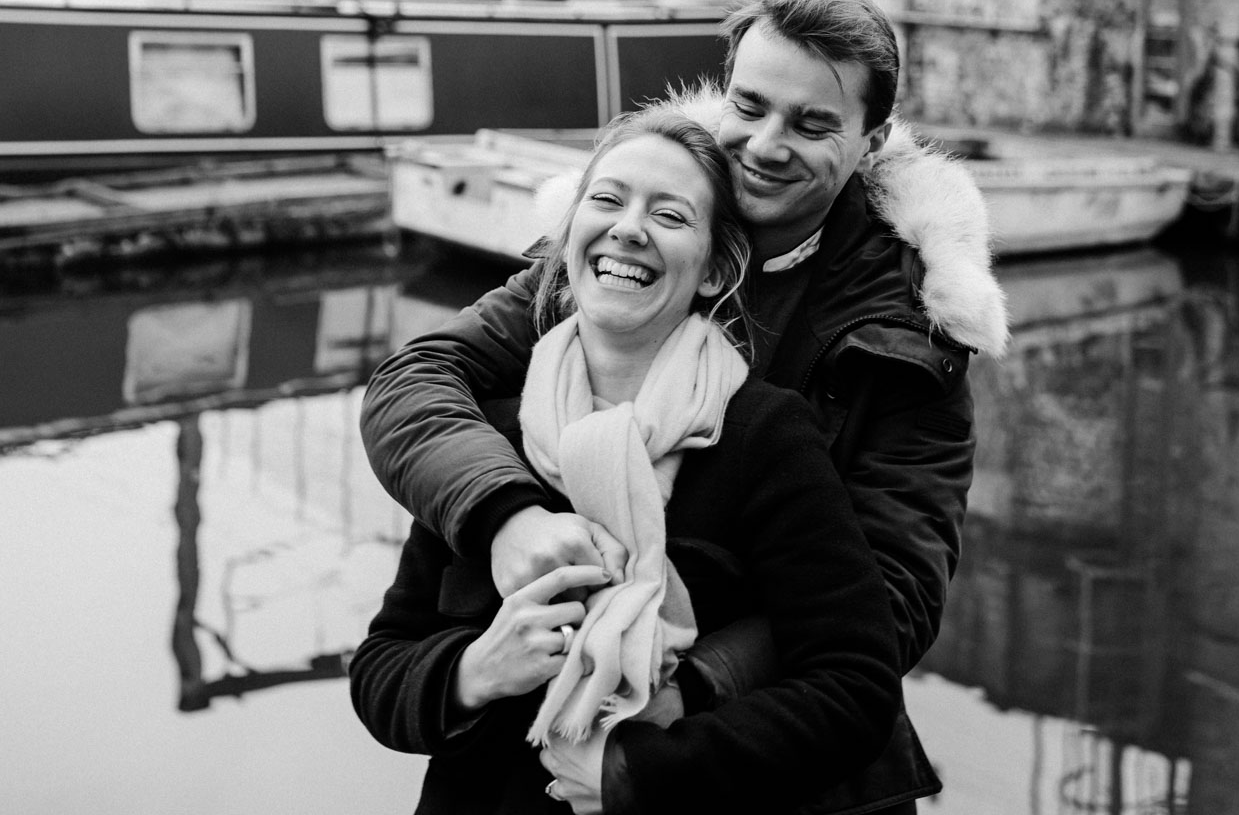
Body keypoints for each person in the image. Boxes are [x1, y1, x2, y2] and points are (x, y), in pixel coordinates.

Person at [361, 0, 1010, 805]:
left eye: (812, 125)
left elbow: (890, 605)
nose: (767, 145)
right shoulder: (596, 271)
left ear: (870, 141)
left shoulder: (908, 336)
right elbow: (414, 382)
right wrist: (504, 518)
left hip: (759, 760)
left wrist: (688, 688)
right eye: (750, 104)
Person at [350, 107, 907, 814]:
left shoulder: (765, 438)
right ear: (570, 233)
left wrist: (642, 773)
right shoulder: (492, 429)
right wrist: (472, 672)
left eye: (670, 216)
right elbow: (380, 671)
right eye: (607, 200)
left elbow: (854, 688)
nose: (628, 228)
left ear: (712, 273)